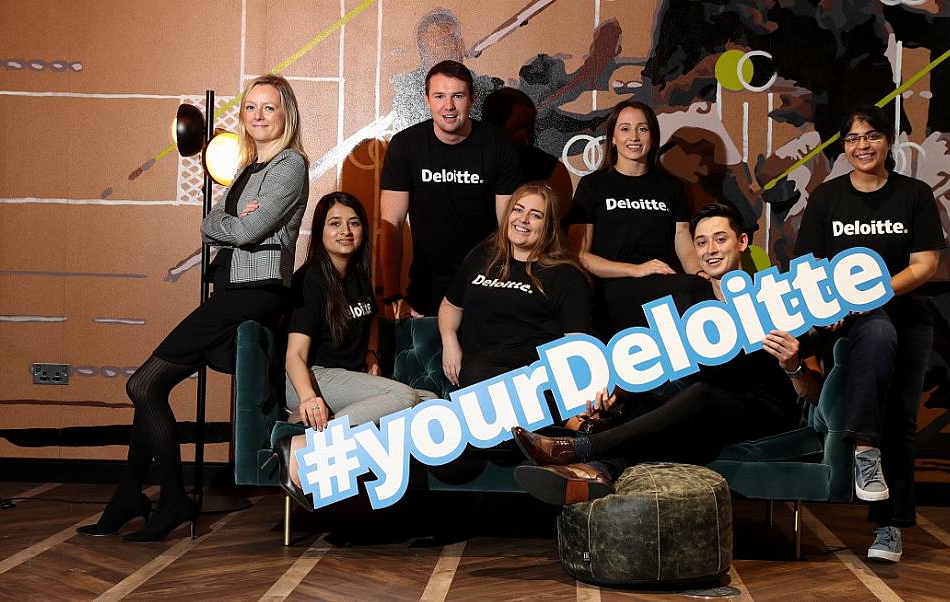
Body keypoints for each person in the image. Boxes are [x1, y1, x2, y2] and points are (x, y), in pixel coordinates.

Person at [78, 74, 309, 542]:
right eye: (250, 108)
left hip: (256, 291)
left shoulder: (290, 165)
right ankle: (127, 497)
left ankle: (172, 500)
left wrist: (227, 223)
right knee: (152, 387)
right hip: (231, 289)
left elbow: (243, 232)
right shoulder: (247, 168)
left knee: (142, 384)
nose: (258, 116)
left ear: (286, 114)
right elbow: (214, 223)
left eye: (268, 107)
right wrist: (227, 221)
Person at [512, 202, 820, 503]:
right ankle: (597, 472)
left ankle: (579, 449)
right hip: (702, 413)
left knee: (700, 394)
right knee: (653, 401)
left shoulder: (776, 298)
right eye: (701, 242)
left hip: (764, 411)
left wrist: (793, 365)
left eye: (720, 239)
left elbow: (814, 392)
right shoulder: (689, 297)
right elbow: (661, 365)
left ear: (742, 242)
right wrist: (616, 396)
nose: (710, 249)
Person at [793, 105, 945, 563]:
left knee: (900, 420)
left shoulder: (914, 195)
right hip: (845, 319)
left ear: (889, 141)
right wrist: (835, 305)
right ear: (844, 146)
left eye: (872, 136)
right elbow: (808, 269)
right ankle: (863, 448)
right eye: (854, 138)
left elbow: (925, 264)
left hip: (905, 316)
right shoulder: (826, 199)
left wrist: (873, 294)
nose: (863, 146)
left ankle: (889, 527)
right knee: (875, 332)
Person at [273, 192, 424, 512]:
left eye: (354, 223)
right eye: (335, 223)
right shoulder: (311, 280)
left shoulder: (357, 274)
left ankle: (324, 439)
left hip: (346, 381)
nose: (346, 230)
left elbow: (367, 317)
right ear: (321, 232)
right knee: (406, 399)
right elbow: (295, 355)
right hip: (312, 379)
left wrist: (371, 353)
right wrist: (308, 398)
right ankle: (305, 446)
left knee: (433, 404)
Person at [379, 59, 521, 319]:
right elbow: (391, 224)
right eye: (439, 96)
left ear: (472, 98)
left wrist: (509, 285)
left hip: (485, 283)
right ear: (426, 99)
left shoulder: (498, 145)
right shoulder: (406, 145)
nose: (449, 106)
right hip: (426, 287)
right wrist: (391, 294)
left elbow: (508, 225)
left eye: (458, 96)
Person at [565, 100, 703, 335]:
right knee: (684, 292)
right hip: (612, 286)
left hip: (664, 281)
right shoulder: (593, 185)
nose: (634, 137)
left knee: (698, 289)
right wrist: (634, 269)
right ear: (614, 139)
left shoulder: (671, 187)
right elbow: (578, 255)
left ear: (653, 137)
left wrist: (700, 276)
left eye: (643, 128)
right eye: (625, 129)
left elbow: (683, 241)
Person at [439, 183, 592, 392]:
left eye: (536, 215)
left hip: (533, 374)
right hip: (478, 376)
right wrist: (449, 341)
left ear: (549, 226)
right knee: (476, 373)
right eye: (518, 209)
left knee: (477, 374)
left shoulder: (566, 275)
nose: (523, 219)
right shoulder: (482, 256)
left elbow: (576, 344)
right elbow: (450, 305)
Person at [480, 87, 573, 215]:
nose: (525, 135)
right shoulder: (467, 166)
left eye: (529, 126)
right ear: (493, 127)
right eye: (517, 128)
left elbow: (557, 224)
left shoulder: (551, 170)